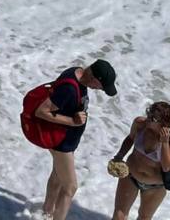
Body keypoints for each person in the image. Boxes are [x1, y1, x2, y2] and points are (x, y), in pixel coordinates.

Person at [34, 59, 118, 220]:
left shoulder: (77, 72)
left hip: (66, 141)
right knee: (71, 187)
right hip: (61, 144)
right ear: (94, 79)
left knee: (58, 176)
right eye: (101, 87)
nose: (100, 90)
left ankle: (46, 212)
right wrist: (73, 121)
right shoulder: (70, 89)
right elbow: (41, 111)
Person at [108, 102, 170, 220]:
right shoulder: (140, 124)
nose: (148, 119)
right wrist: (119, 156)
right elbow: (130, 138)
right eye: (149, 114)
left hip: (156, 186)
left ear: (165, 124)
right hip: (130, 176)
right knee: (119, 214)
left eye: (153, 118)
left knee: (144, 217)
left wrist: (164, 143)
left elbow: (167, 167)